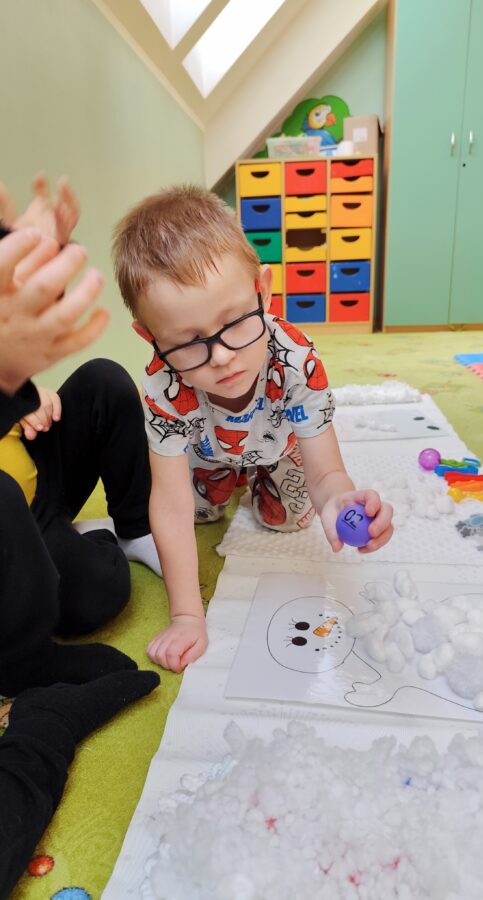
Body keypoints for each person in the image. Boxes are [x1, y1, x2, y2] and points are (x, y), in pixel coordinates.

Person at [112, 185, 394, 675]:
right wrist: (186, 616)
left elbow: (325, 472)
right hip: (207, 453)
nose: (222, 357)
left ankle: (260, 480)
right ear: (151, 338)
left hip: (282, 448)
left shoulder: (298, 360)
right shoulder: (162, 384)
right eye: (188, 342)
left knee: (289, 519)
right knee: (197, 516)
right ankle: (229, 479)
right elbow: (171, 505)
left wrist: (338, 500)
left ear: (263, 291)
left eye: (235, 322)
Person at [0, 185, 160, 897]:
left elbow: (17, 312)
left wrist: (26, 393)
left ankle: (133, 525)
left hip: (37, 479)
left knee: (103, 381)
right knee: (99, 590)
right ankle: (26, 664)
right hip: (13, 521)